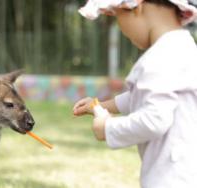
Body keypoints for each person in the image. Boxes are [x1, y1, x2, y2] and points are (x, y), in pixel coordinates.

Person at [73, 0, 197, 187]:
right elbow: (142, 96)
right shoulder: (184, 49)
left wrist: (107, 128)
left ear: (135, 7)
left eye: (117, 17)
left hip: (171, 175)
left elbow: (154, 120)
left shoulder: (159, 58)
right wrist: (98, 106)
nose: (121, 28)